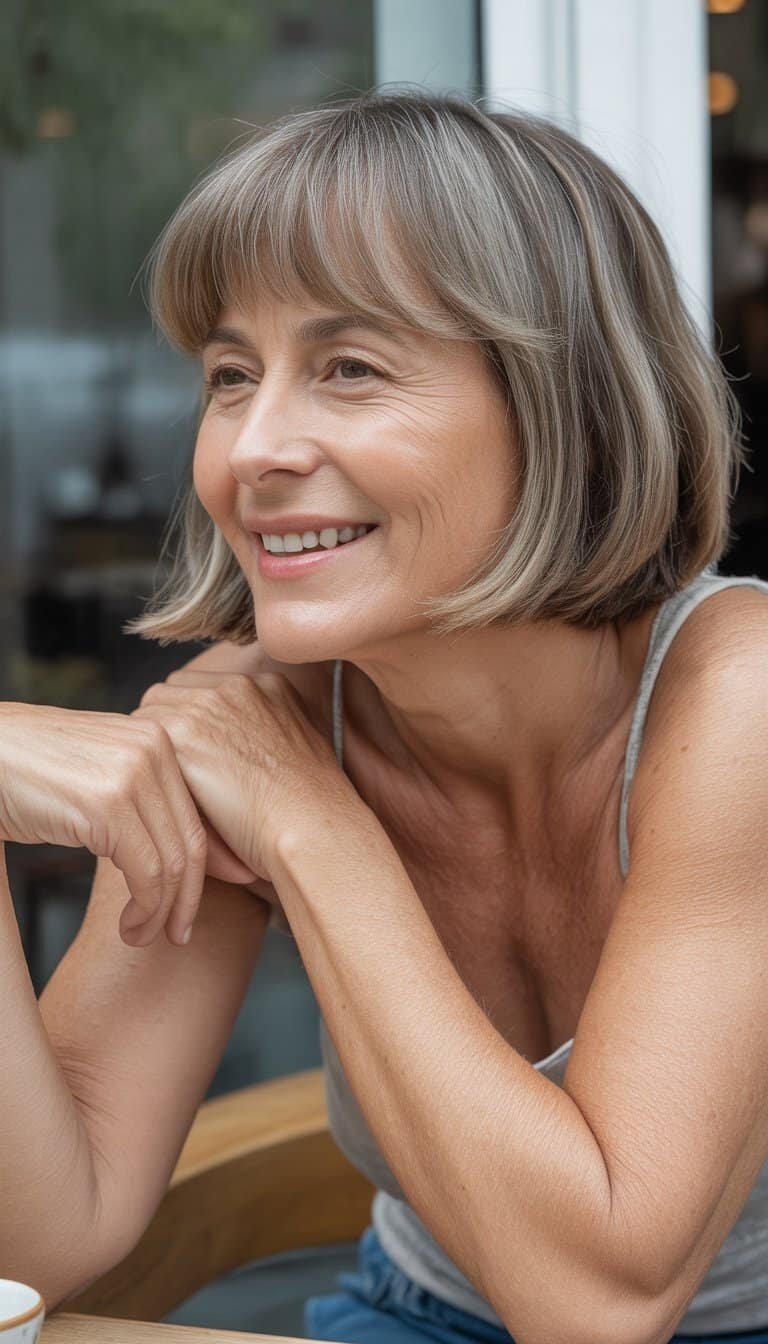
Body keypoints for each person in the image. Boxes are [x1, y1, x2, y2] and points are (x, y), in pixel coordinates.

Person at [1, 88, 768, 1344]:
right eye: (231, 376)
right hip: (418, 1314)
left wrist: (312, 828)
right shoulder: (253, 723)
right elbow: (35, 1243)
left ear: (563, 406)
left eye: (349, 369)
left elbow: (601, 1305)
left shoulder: (739, 694)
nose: (253, 448)